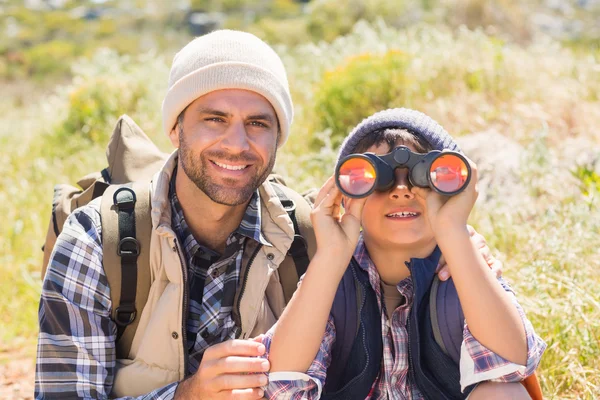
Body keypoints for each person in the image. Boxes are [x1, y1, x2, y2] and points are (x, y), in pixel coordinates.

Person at [35, 31, 502, 400]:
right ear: (175, 126)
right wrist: (187, 395)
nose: (237, 144)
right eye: (214, 118)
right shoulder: (99, 242)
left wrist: (459, 249)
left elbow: (397, 241)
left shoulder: (310, 234)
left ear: (279, 138)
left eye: (258, 123)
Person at [262, 108, 547, 399]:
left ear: (451, 189)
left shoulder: (464, 267)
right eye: (375, 178)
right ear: (346, 193)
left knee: (504, 394)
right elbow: (281, 386)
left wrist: (453, 232)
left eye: (420, 177)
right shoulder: (333, 278)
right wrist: (330, 257)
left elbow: (512, 365)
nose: (401, 190)